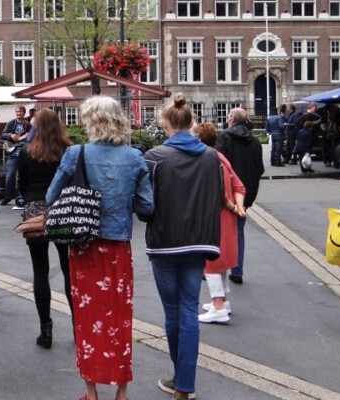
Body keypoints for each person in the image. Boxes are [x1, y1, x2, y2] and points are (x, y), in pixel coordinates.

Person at [46, 96, 154, 400]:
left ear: (93, 121)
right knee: (119, 317)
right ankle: (121, 391)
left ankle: (91, 390)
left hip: (84, 246)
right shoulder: (134, 158)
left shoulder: (74, 154)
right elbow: (147, 205)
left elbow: (52, 194)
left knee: (87, 317)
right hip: (118, 246)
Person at [144, 94, 222, 400]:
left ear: (166, 123)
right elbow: (215, 198)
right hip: (199, 241)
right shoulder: (211, 157)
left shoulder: (155, 157)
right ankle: (184, 383)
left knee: (172, 310)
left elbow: (145, 206)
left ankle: (180, 377)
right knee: (189, 308)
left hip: (165, 242)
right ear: (192, 122)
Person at [17, 109, 74, 349]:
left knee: (40, 270)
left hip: (36, 216)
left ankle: (46, 329)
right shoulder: (69, 151)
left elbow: (22, 185)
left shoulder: (27, 153)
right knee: (69, 268)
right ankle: (78, 327)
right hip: (63, 214)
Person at [194, 123, 246, 324]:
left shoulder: (207, 160)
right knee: (222, 260)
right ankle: (223, 301)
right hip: (227, 216)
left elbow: (220, 193)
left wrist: (233, 207)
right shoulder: (221, 157)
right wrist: (238, 207)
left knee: (211, 262)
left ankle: (218, 306)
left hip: (215, 216)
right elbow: (238, 185)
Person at [216, 107, 264, 284]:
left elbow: (218, 163)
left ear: (232, 120)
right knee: (239, 232)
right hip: (246, 195)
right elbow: (259, 169)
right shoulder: (255, 143)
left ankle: (216, 267)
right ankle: (237, 269)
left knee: (218, 231)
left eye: (228, 117)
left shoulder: (225, 137)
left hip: (227, 193)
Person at [0, 106, 31, 206]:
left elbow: (32, 137)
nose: (19, 113)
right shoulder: (11, 123)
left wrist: (26, 137)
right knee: (9, 176)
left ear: (24, 113)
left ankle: (24, 196)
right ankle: (8, 196)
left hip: (24, 153)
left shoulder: (28, 124)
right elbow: (3, 135)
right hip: (13, 153)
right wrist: (10, 135)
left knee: (24, 176)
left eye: (21, 111)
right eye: (17, 111)